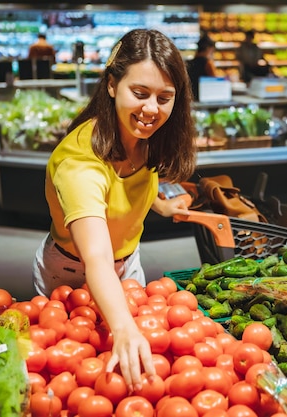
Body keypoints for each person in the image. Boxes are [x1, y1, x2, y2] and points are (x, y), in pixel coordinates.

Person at [32, 29, 197, 391]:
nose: (152, 109)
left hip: (127, 262)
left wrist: (162, 206)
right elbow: (96, 258)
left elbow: (129, 183)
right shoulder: (81, 162)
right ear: (111, 86)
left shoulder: (145, 138)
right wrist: (123, 326)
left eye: (164, 97)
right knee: (77, 376)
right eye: (139, 93)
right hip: (73, 272)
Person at [186, 36, 218, 101]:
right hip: (205, 98)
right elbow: (215, 81)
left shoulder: (189, 63)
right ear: (209, 49)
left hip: (191, 98)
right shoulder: (208, 63)